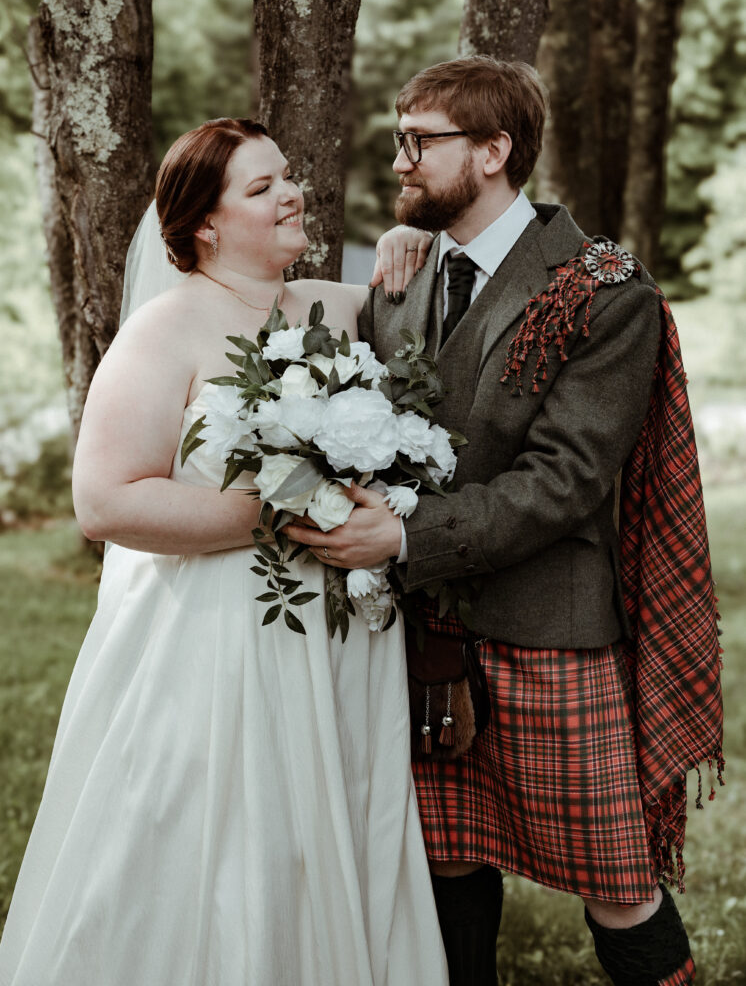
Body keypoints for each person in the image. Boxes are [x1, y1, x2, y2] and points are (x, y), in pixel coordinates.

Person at [287, 57, 724, 985]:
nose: (400, 158)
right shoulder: (399, 276)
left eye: (422, 141)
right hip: (422, 636)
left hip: (544, 630)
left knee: (616, 876)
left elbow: (565, 479)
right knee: (445, 858)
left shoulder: (604, 291)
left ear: (494, 151)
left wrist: (403, 536)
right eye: (399, 137)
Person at [0, 118, 448, 986]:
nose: (292, 193)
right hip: (212, 643)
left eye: (287, 176)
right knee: (225, 838)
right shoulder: (164, 330)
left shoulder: (337, 305)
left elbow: (430, 284)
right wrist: (277, 513)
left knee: (329, 825)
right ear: (204, 223)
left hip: (337, 641)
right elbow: (104, 501)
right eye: (261, 187)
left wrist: (406, 237)